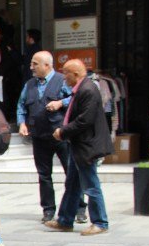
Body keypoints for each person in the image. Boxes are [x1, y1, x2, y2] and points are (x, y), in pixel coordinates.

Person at [44, 59, 113, 236]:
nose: (63, 76)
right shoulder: (80, 90)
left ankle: (100, 222)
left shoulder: (88, 90)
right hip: (78, 146)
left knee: (91, 185)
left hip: (87, 146)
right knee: (73, 184)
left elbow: (85, 120)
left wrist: (63, 131)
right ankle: (65, 220)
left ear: (75, 75)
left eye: (66, 73)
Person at [16, 51, 83, 224]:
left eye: (35, 64)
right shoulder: (29, 84)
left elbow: (75, 99)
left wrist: (61, 103)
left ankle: (80, 208)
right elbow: (21, 105)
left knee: (72, 173)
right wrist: (22, 123)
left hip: (60, 135)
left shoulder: (62, 80)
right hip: (39, 136)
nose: (31, 67)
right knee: (44, 174)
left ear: (47, 65)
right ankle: (48, 209)